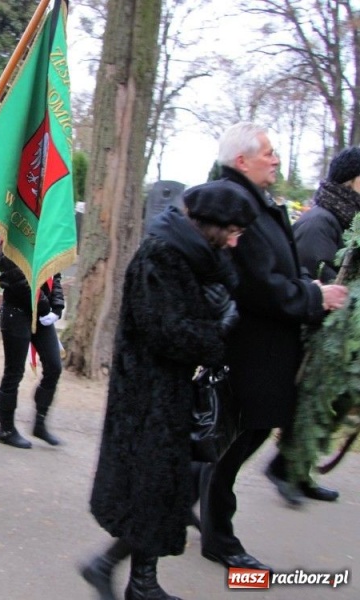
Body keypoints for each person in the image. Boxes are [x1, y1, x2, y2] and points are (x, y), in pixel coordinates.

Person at [79, 181, 257, 600]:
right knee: (150, 490)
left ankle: (127, 577)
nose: (236, 240)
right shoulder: (158, 256)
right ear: (210, 225)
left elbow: (221, 291)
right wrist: (219, 330)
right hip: (145, 395)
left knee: (159, 493)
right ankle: (127, 578)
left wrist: (222, 307)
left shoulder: (201, 256)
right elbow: (165, 331)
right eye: (232, 230)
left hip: (173, 392)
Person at [198, 122, 347, 571]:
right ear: (241, 161)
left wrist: (309, 287)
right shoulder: (235, 203)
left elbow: (278, 266)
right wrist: (314, 297)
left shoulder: (254, 202)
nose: (276, 159)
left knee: (239, 438)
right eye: (268, 153)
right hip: (250, 345)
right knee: (234, 440)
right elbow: (257, 284)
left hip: (265, 344)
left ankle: (192, 509)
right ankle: (217, 536)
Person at [264, 146, 360, 505]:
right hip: (317, 329)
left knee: (330, 403)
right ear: (352, 179)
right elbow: (315, 273)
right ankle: (283, 467)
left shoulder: (349, 218)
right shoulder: (321, 220)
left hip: (340, 330)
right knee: (309, 403)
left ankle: (299, 470)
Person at [0, 243, 64, 449]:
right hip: (17, 310)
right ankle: (6, 429)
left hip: (41, 312)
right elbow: (16, 277)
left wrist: (57, 306)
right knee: (14, 372)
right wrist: (45, 305)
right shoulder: (12, 233)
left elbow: (54, 271)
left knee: (54, 366)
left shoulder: (45, 231)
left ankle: (40, 423)